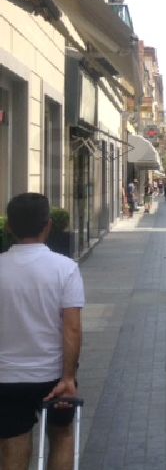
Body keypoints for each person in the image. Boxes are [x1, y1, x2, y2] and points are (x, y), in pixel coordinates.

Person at [0, 193, 84, 470]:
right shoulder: (65, 269)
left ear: (9, 227)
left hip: (7, 376)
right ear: (48, 225)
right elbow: (72, 328)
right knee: (62, 436)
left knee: (12, 445)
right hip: (53, 375)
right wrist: (68, 377)